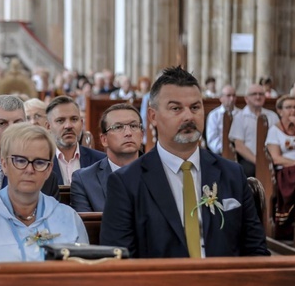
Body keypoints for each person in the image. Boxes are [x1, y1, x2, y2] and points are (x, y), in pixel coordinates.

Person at [100, 66, 270, 258]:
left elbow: (256, 251)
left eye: (195, 107)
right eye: (176, 108)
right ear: (153, 117)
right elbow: (118, 262)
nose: (188, 116)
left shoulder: (233, 174)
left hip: (225, 284)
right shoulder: (126, 183)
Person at [0, 123, 88, 262]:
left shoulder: (69, 218)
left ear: (49, 169)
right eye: (20, 160)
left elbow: (84, 276)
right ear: (4, 165)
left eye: (39, 162)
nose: (29, 170)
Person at [70, 103, 142, 212]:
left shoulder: (160, 173)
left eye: (133, 126)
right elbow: (86, 227)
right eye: (118, 127)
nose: (128, 133)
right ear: (104, 140)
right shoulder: (84, 180)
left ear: (142, 135)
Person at [45, 95, 105, 185]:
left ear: (81, 123)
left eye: (74, 119)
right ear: (48, 127)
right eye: (60, 120)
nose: (68, 126)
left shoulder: (101, 161)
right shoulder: (40, 163)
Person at [265, 95, 295, 238]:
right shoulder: (274, 130)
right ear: (280, 111)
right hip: (285, 170)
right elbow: (276, 158)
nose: (292, 110)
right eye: (288, 107)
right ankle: (287, 223)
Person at [228, 83, 279, 177]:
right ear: (246, 99)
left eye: (261, 94)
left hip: (272, 159)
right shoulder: (240, 117)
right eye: (254, 94)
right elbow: (239, 146)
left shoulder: (273, 116)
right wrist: (257, 161)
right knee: (248, 171)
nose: (258, 97)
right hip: (249, 160)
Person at [205, 85, 240, 155]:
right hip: (220, 152)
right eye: (228, 96)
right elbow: (212, 140)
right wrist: (227, 150)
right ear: (221, 98)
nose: (232, 99)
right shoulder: (214, 115)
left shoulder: (242, 114)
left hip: (240, 153)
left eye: (234, 96)